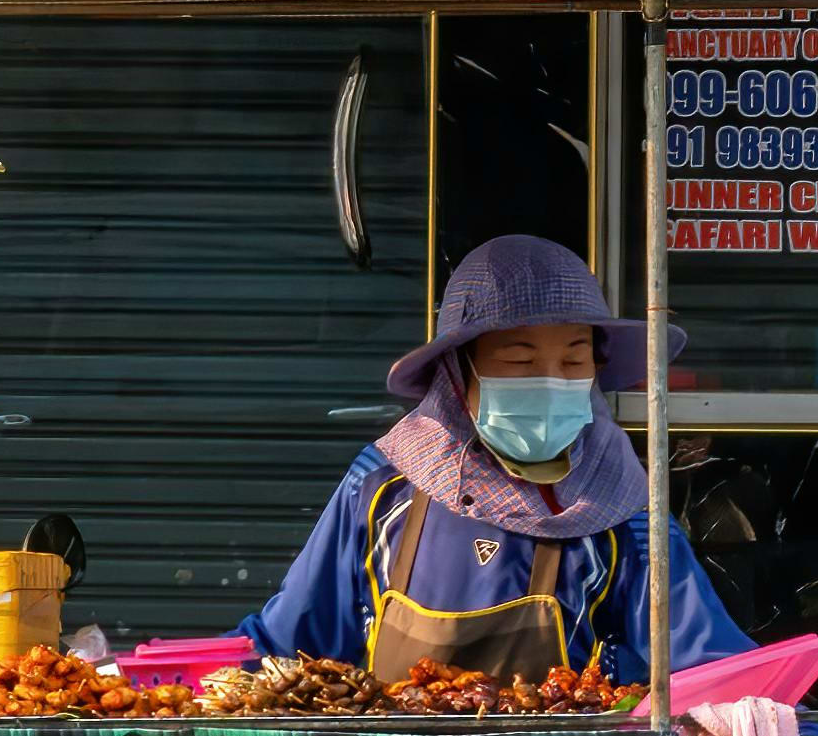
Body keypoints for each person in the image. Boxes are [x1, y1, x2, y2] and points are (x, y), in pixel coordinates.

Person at [241, 233, 744, 688]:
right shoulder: (381, 487)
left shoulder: (624, 510)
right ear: (458, 373)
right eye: (519, 361)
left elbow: (717, 672)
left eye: (573, 360)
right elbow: (284, 645)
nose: (551, 379)